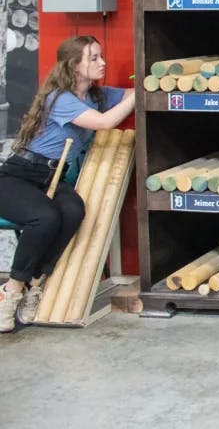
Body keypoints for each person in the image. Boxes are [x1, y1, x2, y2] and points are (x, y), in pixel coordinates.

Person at [0, 36, 134, 331]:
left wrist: (145, 88)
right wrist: (136, 97)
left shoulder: (97, 96)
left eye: (101, 56)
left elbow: (128, 94)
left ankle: (36, 282)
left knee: (73, 211)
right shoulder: (60, 98)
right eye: (94, 58)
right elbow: (104, 123)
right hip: (19, 174)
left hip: (52, 177)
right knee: (45, 217)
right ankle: (11, 290)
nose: (103, 63)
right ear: (74, 66)